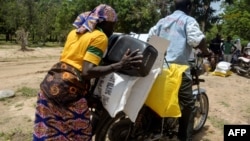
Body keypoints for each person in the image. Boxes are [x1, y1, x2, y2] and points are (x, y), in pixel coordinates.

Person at [32, 4, 143, 141]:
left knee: (50, 130)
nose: (113, 30)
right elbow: (87, 71)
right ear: (103, 22)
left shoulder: (76, 32)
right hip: (68, 89)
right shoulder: (100, 37)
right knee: (81, 133)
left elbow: (74, 62)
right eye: (112, 25)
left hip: (50, 83)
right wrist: (120, 65)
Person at [148, 0, 210, 140]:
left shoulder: (162, 21)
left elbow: (151, 37)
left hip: (159, 68)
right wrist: (206, 51)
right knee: (188, 106)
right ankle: (184, 138)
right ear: (188, 7)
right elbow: (197, 40)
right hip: (178, 70)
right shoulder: (188, 20)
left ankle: (155, 127)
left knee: (157, 99)